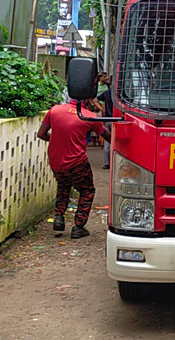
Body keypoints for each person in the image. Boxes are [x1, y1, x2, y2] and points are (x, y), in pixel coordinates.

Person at [37, 99, 110, 239]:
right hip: (76, 162)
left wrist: (57, 139)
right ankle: (78, 226)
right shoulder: (90, 117)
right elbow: (107, 137)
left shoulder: (54, 110)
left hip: (55, 160)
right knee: (87, 191)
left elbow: (40, 134)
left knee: (63, 186)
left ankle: (59, 217)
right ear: (88, 100)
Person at [97, 73, 114, 170]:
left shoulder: (107, 93)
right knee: (115, 141)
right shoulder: (119, 94)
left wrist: (101, 109)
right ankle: (113, 162)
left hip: (107, 118)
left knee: (107, 142)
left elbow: (95, 100)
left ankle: (106, 163)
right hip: (116, 120)